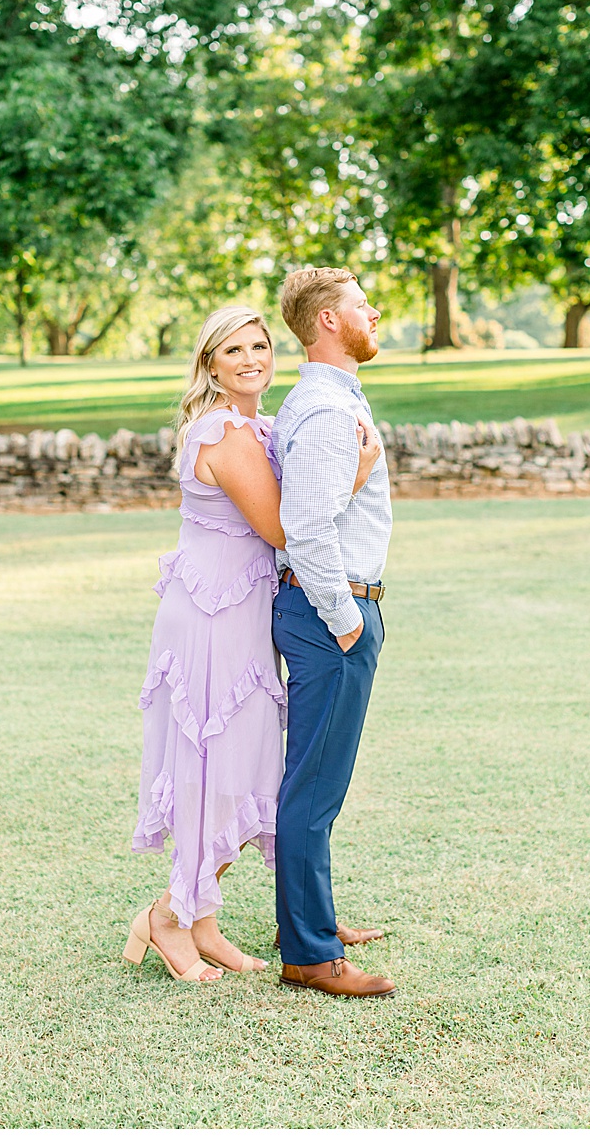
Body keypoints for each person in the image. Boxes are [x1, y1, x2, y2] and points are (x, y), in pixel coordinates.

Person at [126, 306, 379, 983]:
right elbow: (278, 528)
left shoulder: (258, 426)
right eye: (231, 350)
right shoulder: (226, 434)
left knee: (239, 772)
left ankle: (200, 919)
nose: (249, 358)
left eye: (259, 345)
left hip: (238, 610)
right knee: (223, 768)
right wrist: (354, 477)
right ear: (210, 364)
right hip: (214, 617)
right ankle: (168, 917)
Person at [271, 266, 397, 998]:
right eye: (359, 304)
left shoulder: (332, 398)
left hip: (336, 608)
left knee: (318, 782)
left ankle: (311, 921)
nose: (371, 311)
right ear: (327, 322)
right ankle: (311, 955)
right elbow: (307, 528)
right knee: (314, 788)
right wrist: (349, 623)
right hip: (331, 614)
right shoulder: (325, 411)